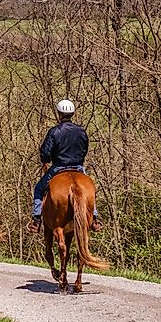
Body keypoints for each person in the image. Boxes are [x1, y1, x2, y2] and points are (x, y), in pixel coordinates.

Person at [27, 99, 103, 234]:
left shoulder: (54, 131)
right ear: (72, 113)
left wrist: (49, 158)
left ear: (59, 113)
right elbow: (84, 149)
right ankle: (95, 219)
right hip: (78, 168)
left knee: (38, 189)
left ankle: (36, 220)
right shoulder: (81, 131)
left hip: (59, 168)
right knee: (90, 189)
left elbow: (45, 154)